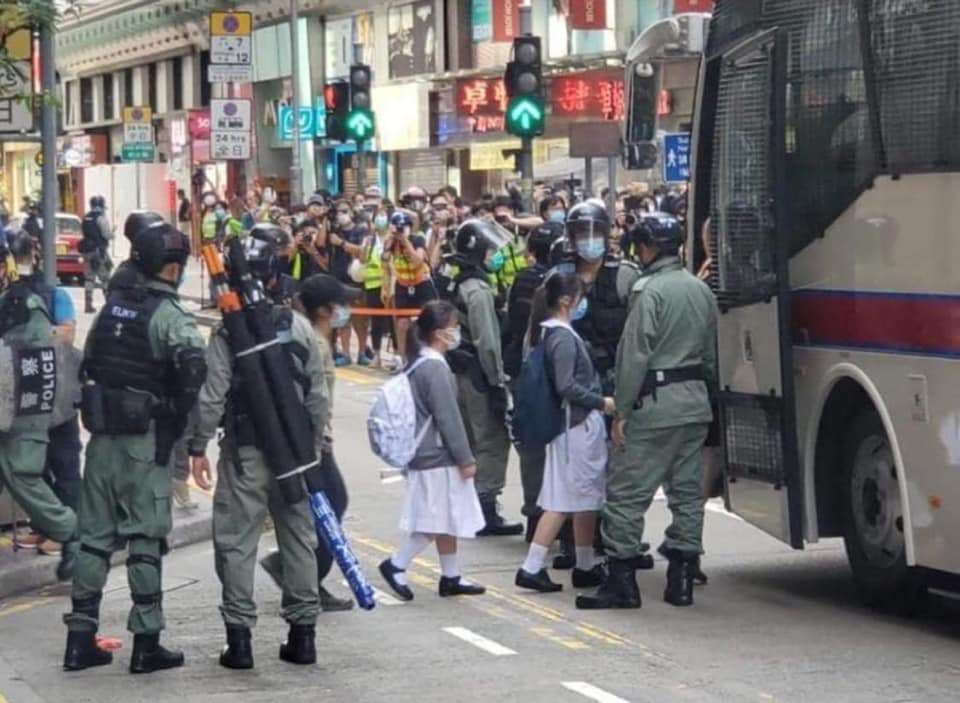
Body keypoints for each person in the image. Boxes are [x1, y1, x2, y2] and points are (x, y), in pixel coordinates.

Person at [63, 221, 205, 673]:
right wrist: (176, 415)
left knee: (93, 541)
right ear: (172, 267)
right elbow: (194, 368)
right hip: (145, 441)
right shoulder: (169, 315)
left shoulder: (111, 309)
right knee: (145, 540)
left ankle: (79, 640)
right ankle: (146, 644)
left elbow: (89, 362)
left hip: (101, 439)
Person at [188, 228, 329, 669]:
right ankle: (303, 637)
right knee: (299, 539)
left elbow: (212, 395)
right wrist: (313, 447)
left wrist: (198, 446)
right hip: (295, 452)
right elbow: (319, 396)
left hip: (245, 453)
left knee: (236, 542)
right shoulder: (299, 327)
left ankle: (240, 643)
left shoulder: (228, 332)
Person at [576, 213, 718, 611]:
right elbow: (711, 354)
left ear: (649, 247)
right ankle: (682, 580)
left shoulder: (647, 290)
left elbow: (635, 354)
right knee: (686, 494)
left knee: (626, 494)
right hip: (694, 402)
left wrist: (622, 410)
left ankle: (622, 583)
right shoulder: (700, 289)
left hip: (654, 404)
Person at [258, 271, 357, 613]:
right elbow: (315, 398)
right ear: (326, 310)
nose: (345, 311)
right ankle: (303, 577)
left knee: (325, 505)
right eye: (341, 305)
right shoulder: (315, 343)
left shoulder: (310, 336)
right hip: (311, 442)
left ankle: (297, 572)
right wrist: (316, 444)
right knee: (331, 504)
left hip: (309, 439)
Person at [378, 300, 486, 601]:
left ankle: (451, 575)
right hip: (437, 455)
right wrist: (465, 458)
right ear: (439, 333)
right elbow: (448, 417)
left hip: (424, 452)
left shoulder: (419, 363)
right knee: (436, 518)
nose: (457, 332)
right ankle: (396, 564)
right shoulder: (435, 368)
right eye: (454, 327)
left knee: (445, 514)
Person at [515, 273, 614, 593]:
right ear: (566, 301)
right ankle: (531, 567)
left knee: (585, 497)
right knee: (562, 500)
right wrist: (602, 402)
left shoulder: (543, 333)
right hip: (576, 427)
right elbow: (566, 385)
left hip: (567, 427)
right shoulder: (563, 338)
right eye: (580, 297)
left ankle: (584, 565)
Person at [0, 234, 80, 581]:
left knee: (23, 472)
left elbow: (33, 357)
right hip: (18, 407)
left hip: (27, 407)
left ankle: (71, 532)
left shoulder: (22, 303)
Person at [448, 219, 522, 537]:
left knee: (470, 439)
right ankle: (485, 508)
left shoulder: (458, 282)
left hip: (461, 370)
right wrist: (497, 381)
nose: (495, 256)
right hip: (478, 373)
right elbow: (487, 342)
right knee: (491, 439)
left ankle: (470, 505)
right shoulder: (477, 290)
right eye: (491, 250)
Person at [502, 221, 564, 540]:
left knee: (532, 448)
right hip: (547, 372)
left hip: (525, 371)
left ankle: (535, 514)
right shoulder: (559, 284)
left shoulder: (523, 279)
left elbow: (511, 325)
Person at [381, 210, 435, 364]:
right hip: (403, 285)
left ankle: (428, 354)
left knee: (428, 320)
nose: (399, 231)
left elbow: (418, 260)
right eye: (397, 228)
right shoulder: (391, 242)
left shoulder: (418, 239)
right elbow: (384, 260)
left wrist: (406, 242)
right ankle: (402, 357)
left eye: (403, 228)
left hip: (421, 283)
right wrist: (388, 246)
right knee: (401, 323)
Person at [328, 201, 369, 366]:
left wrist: (342, 243)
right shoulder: (334, 231)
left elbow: (362, 251)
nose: (341, 215)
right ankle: (345, 353)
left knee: (360, 319)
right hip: (338, 279)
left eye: (345, 211)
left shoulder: (361, 230)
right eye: (338, 212)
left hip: (356, 280)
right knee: (342, 318)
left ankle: (362, 352)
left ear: (352, 212)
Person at [358, 201, 393, 368]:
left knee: (392, 320)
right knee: (376, 321)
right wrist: (365, 245)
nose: (380, 218)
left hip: (391, 285)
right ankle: (377, 354)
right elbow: (362, 259)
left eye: (383, 214)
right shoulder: (370, 239)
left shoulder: (393, 238)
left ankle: (397, 355)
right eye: (378, 215)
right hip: (373, 285)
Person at [80, 195, 114, 313]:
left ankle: (88, 304)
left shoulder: (86, 218)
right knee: (105, 278)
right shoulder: (101, 218)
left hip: (87, 251)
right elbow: (106, 235)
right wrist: (112, 234)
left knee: (89, 278)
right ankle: (109, 304)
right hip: (99, 252)